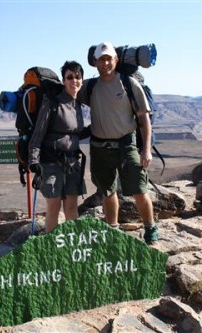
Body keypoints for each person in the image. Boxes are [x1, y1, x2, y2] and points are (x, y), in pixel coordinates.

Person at [78, 42, 159, 245]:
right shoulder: (89, 86)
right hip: (99, 148)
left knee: (140, 189)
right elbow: (68, 94)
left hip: (127, 145)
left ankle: (150, 229)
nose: (105, 63)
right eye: (101, 59)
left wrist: (146, 150)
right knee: (107, 191)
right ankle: (113, 231)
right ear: (95, 62)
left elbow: (144, 120)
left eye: (109, 58)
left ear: (116, 60)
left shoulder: (129, 84)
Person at [28, 60, 87, 233]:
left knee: (72, 207)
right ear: (63, 80)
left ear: (82, 80)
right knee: (53, 207)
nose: (74, 80)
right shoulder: (52, 102)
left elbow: (74, 132)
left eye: (77, 77)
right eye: (70, 77)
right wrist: (34, 162)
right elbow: (38, 133)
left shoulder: (77, 104)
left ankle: (71, 245)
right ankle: (51, 250)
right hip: (51, 163)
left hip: (72, 162)